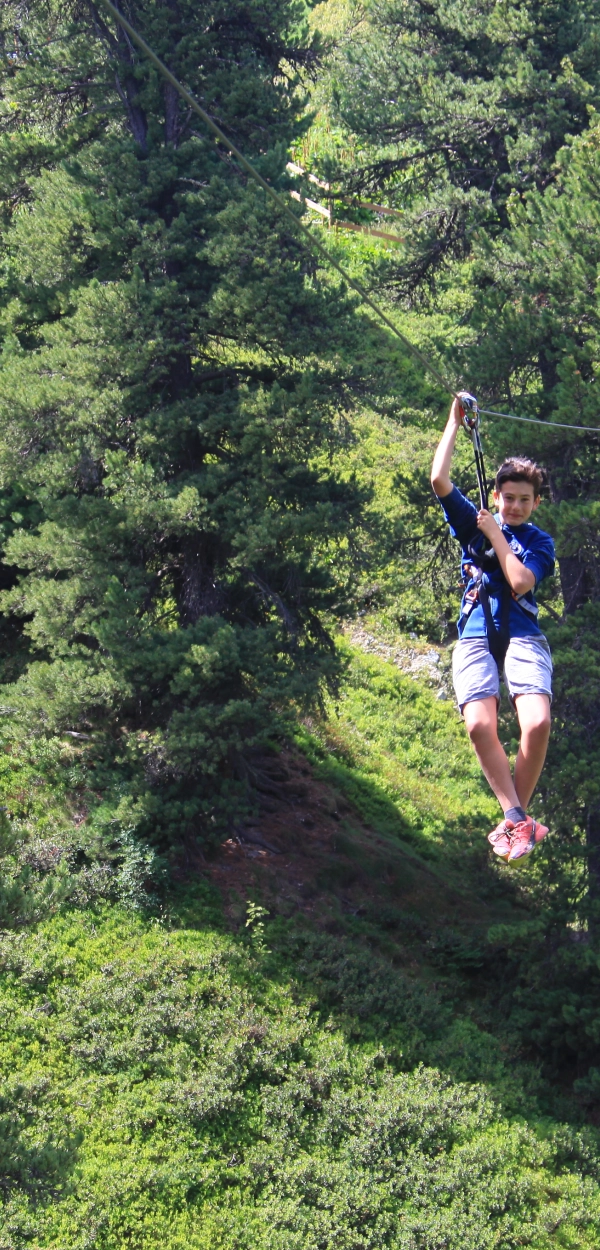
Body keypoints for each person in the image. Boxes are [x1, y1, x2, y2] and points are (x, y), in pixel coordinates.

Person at [431, 394, 555, 864]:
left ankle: (514, 818)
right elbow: (439, 479)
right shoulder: (472, 523)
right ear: (496, 497)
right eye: (509, 499)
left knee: (538, 722)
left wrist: (497, 535)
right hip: (477, 632)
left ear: (536, 502)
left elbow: (521, 582)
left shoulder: (537, 540)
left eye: (526, 500)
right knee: (479, 726)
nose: (517, 505)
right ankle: (517, 817)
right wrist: (453, 423)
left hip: (523, 634)